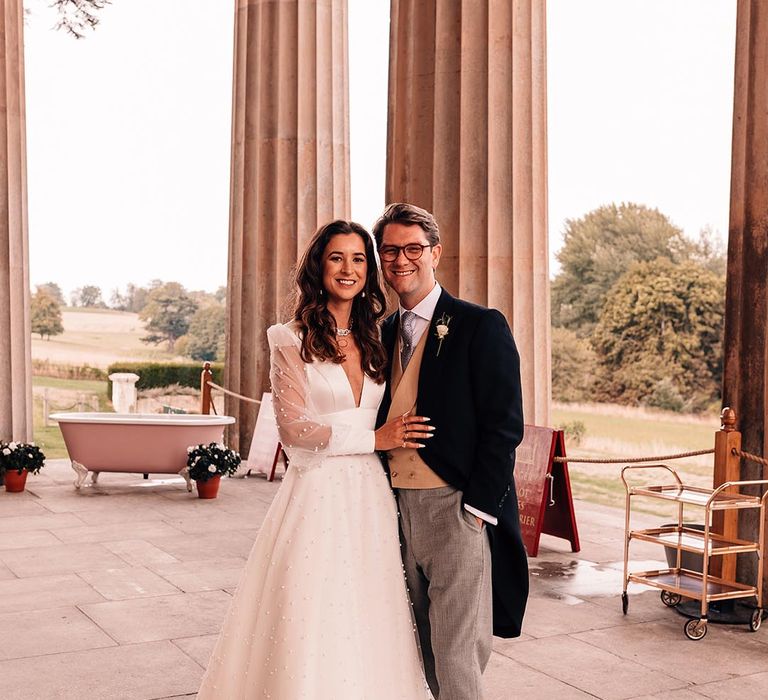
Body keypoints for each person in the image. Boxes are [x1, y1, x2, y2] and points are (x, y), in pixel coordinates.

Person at [197, 220, 434, 699]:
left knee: (370, 606)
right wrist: (375, 439)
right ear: (318, 266)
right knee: (315, 606)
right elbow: (295, 430)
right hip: (318, 493)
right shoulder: (289, 337)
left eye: (359, 259)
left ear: (370, 270)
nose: (348, 269)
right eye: (336, 258)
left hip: (371, 495)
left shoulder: (380, 338)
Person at [373, 202, 529, 700]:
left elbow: (504, 426)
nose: (401, 260)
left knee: (458, 648)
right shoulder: (381, 334)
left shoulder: (479, 325)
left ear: (435, 253)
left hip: (454, 506)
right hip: (393, 508)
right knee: (419, 642)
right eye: (390, 250)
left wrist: (477, 509)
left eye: (413, 248)